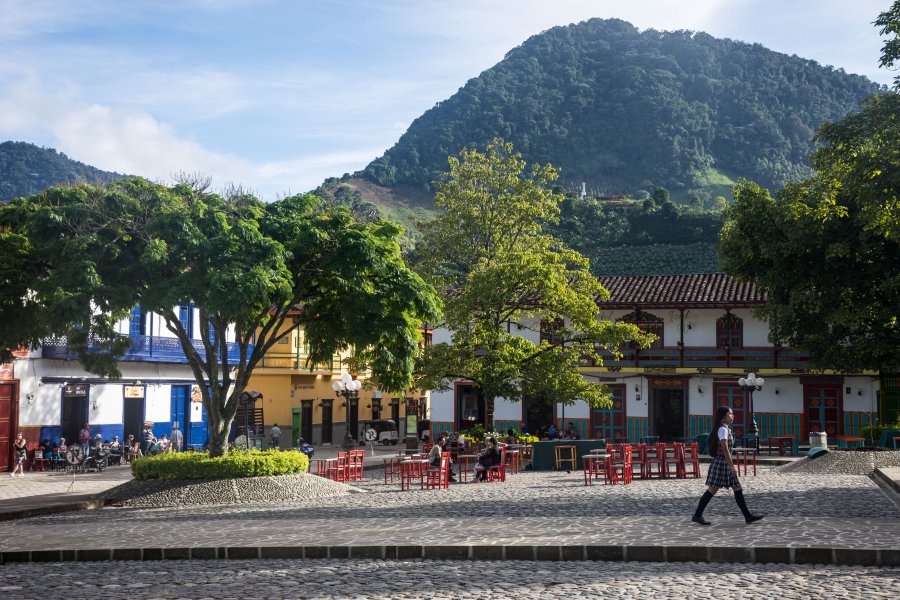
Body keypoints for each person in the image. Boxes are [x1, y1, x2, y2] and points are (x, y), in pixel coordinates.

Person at [692, 405, 764, 526]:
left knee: (736, 488)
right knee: (712, 490)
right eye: (730, 414)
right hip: (721, 464)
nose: (733, 416)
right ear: (724, 417)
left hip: (723, 463)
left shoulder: (724, 429)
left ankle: (748, 516)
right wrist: (732, 466)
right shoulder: (723, 430)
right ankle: (697, 515)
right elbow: (725, 449)